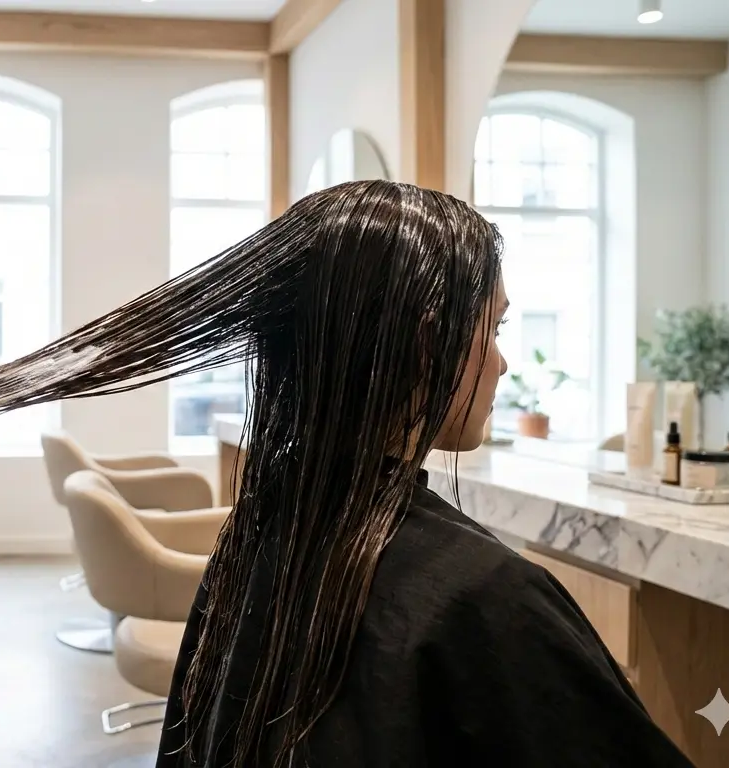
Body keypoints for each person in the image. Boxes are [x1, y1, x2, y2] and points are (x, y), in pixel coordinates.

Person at [152, 182, 695, 766]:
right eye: (493, 329)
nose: (501, 362)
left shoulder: (261, 527)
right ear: (429, 341)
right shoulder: (485, 596)